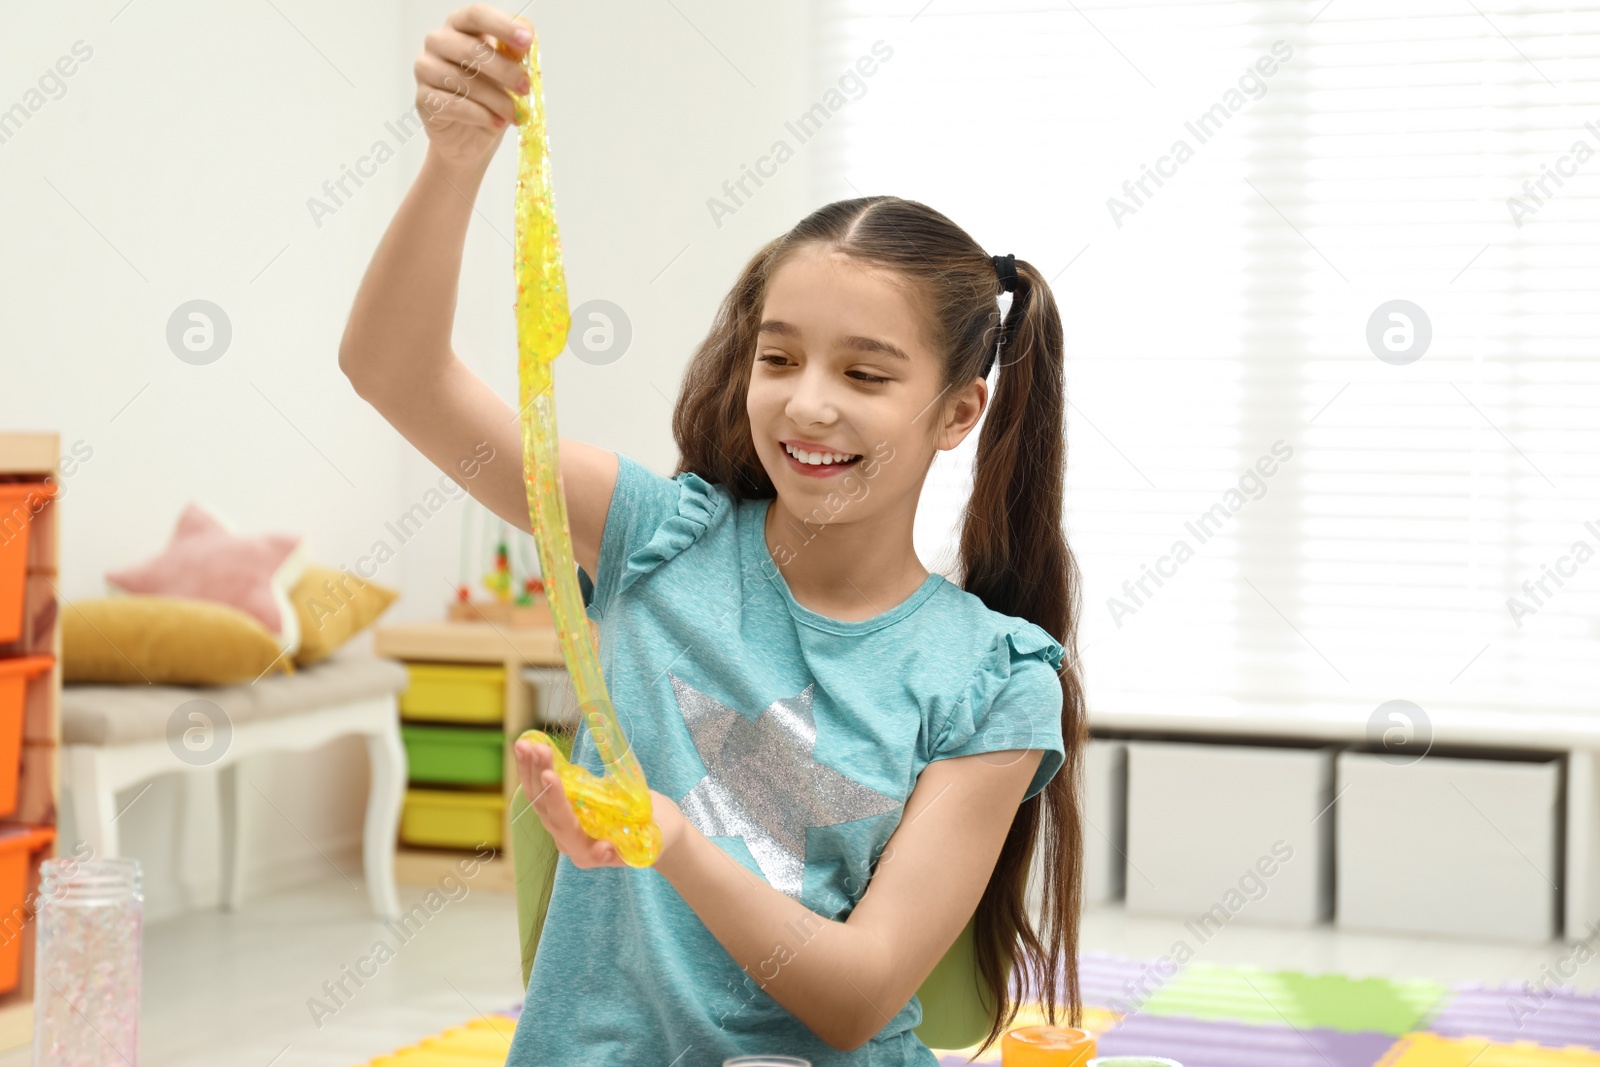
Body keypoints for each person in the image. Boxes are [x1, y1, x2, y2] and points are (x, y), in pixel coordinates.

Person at [338, 6, 1087, 1063]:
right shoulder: (656, 536)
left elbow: (858, 993)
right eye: (778, 360)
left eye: (865, 374)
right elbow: (394, 372)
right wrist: (456, 159)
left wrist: (672, 840)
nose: (806, 405)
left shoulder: (992, 678)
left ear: (958, 412)